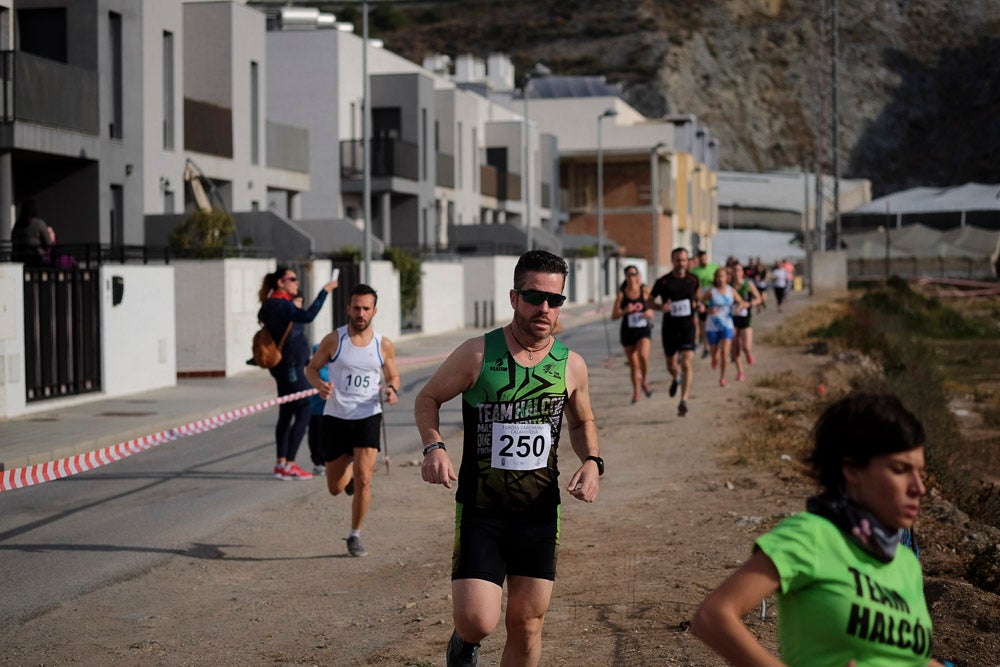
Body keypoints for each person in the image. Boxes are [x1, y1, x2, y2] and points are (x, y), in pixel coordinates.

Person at [414, 250, 602, 667]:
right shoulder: (478, 354)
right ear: (514, 297)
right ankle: (465, 644)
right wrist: (434, 446)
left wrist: (592, 461)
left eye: (555, 300)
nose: (545, 308)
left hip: (538, 512)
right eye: (535, 297)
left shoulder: (571, 365)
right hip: (483, 510)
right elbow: (427, 398)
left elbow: (581, 420)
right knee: (477, 622)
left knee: (527, 622)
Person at [691, 392, 947, 667]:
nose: (919, 488)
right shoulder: (811, 536)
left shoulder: (905, 561)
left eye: (920, 472)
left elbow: (912, 661)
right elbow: (713, 616)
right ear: (852, 470)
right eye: (900, 469)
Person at [306, 284, 399, 558]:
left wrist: (391, 389)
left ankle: (355, 534)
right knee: (335, 488)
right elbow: (310, 368)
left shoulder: (383, 344)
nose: (361, 313)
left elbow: (393, 375)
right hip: (335, 418)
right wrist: (319, 385)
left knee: (364, 478)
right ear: (348, 308)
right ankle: (347, 472)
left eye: (366, 308)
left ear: (374, 311)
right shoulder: (334, 340)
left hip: (367, 415)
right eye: (356, 307)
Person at [257, 266, 338, 480]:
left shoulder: (270, 304)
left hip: (283, 366)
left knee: (286, 412)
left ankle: (281, 463)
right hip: (291, 366)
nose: (296, 282)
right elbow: (309, 315)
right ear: (280, 283)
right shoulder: (281, 304)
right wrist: (325, 290)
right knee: (303, 408)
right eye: (292, 279)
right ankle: (290, 463)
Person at [650, 247, 702, 417]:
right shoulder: (663, 281)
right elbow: (649, 302)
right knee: (672, 365)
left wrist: (697, 305)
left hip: (687, 328)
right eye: (678, 260)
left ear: (688, 262)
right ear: (673, 261)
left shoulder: (693, 280)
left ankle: (684, 400)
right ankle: (675, 378)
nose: (681, 263)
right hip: (670, 329)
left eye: (684, 260)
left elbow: (697, 298)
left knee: (687, 363)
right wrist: (660, 307)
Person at [610, 264, 654, 403]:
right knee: (634, 364)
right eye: (628, 274)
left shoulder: (645, 291)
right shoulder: (622, 295)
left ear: (638, 276)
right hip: (628, 332)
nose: (631, 277)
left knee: (643, 356)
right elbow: (614, 316)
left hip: (643, 330)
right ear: (626, 277)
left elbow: (653, 308)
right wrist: (624, 311)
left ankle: (644, 382)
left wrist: (649, 312)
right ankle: (636, 391)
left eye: (634, 274)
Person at [702, 266, 745, 387]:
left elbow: (741, 302)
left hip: (727, 324)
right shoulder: (711, 291)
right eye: (718, 276)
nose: (720, 279)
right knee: (714, 353)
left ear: (727, 278)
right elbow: (700, 304)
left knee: (725, 353)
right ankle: (714, 358)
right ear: (715, 278)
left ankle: (722, 377)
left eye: (722, 276)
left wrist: (738, 308)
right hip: (712, 326)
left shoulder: (731, 291)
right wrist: (708, 310)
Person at [729, 263, 762, 382]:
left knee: (746, 346)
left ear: (742, 272)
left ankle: (748, 353)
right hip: (732, 319)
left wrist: (750, 304)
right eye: (734, 270)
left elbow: (759, 298)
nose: (736, 273)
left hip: (746, 319)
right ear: (731, 273)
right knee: (735, 347)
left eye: (738, 270)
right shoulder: (729, 286)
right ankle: (740, 372)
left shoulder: (748, 285)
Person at [688, 250, 719, 357]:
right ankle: (706, 346)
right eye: (701, 259)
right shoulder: (694, 271)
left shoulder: (714, 267)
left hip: (714, 301)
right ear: (698, 259)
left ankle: (716, 344)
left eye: (705, 258)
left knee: (715, 323)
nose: (703, 260)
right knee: (703, 324)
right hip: (702, 301)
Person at [305, 343, 328, 476]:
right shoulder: (315, 370)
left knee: (320, 439)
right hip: (316, 411)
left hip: (325, 411)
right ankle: (319, 463)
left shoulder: (326, 369)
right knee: (316, 439)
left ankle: (322, 463)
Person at [11, 200, 55, 266]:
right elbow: (48, 242)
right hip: (37, 257)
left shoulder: (17, 225)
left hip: (20, 257)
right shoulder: (39, 224)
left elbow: (13, 239)